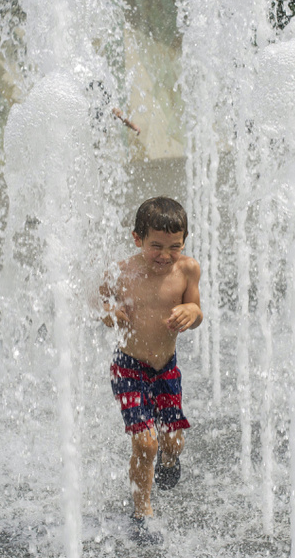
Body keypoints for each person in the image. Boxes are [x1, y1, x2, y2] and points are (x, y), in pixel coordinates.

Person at [100, 196, 203, 543]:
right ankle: (142, 511)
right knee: (145, 444)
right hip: (128, 367)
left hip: (166, 369)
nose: (164, 255)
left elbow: (197, 309)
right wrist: (107, 312)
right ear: (137, 239)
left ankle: (170, 460)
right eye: (155, 246)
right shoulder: (122, 272)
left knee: (172, 441)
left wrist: (192, 312)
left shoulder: (187, 270)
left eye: (174, 246)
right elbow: (96, 298)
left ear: (184, 241)